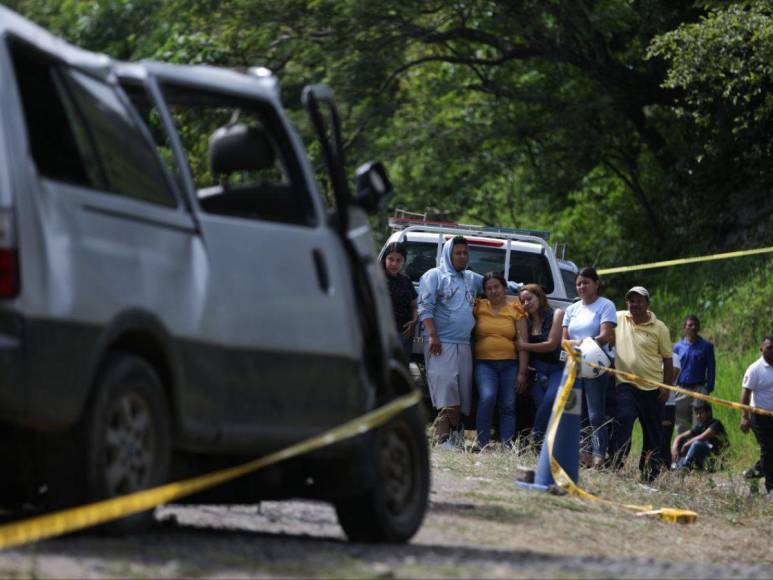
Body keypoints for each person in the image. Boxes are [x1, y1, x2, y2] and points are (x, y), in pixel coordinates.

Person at [417, 236, 519, 445]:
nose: (463, 257)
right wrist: (433, 335)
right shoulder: (434, 275)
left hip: (464, 343)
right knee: (446, 389)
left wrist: (522, 289)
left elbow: (493, 283)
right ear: (448, 254)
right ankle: (442, 437)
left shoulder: (470, 278)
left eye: (465, 253)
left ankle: (452, 437)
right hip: (440, 343)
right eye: (458, 253)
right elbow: (424, 308)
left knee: (461, 393)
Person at [608, 286, 673, 482]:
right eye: (631, 301)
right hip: (626, 385)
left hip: (653, 389)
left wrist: (666, 387)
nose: (635, 304)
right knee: (623, 420)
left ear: (647, 303)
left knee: (652, 433)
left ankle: (649, 474)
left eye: (639, 301)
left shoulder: (660, 327)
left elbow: (668, 360)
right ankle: (615, 464)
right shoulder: (618, 318)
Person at [562, 267, 616, 468]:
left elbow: (605, 336)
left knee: (595, 413)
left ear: (596, 284)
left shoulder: (606, 305)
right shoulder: (571, 309)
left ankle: (599, 454)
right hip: (574, 364)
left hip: (595, 364)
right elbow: (564, 339)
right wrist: (575, 344)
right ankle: (582, 453)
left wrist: (582, 343)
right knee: (578, 411)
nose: (581, 287)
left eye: (586, 282)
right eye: (578, 284)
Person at [472, 272, 529, 448]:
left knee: (508, 404)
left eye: (496, 287)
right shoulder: (478, 306)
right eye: (488, 288)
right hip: (484, 363)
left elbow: (524, 343)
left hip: (510, 365)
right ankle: (481, 442)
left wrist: (522, 373)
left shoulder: (516, 309)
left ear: (504, 288)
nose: (493, 291)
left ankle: (507, 444)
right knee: (487, 397)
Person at [517, 283, 566, 445]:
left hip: (556, 368)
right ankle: (541, 447)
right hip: (536, 370)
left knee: (550, 401)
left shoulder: (557, 314)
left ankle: (536, 438)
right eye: (522, 301)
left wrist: (524, 346)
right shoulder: (525, 321)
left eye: (529, 299)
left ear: (540, 296)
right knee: (539, 406)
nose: (526, 304)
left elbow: (552, 344)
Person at [739, 336, 773, 497]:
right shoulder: (755, 369)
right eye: (769, 348)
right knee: (768, 449)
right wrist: (744, 417)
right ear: (762, 349)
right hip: (759, 416)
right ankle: (771, 487)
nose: (772, 351)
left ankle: (752, 474)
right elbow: (746, 393)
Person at [673, 315, 716, 433]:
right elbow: (673, 367)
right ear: (684, 328)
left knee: (700, 422)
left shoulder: (706, 346)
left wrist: (708, 388)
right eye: (690, 325)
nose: (693, 327)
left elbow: (711, 368)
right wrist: (673, 387)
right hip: (681, 389)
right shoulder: (677, 347)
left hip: (699, 389)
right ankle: (682, 449)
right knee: (681, 423)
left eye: (696, 325)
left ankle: (699, 448)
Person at [381, 242, 418, 356]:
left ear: (404, 261)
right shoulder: (376, 279)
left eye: (399, 260)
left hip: (404, 335)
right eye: (390, 259)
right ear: (384, 259)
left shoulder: (406, 281)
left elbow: (414, 305)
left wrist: (414, 321)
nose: (394, 263)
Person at [671, 400, 727, 471]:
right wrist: (675, 448)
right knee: (681, 442)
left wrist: (686, 445)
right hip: (707, 456)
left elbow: (702, 437)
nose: (698, 416)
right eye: (697, 414)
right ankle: (676, 465)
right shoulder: (700, 426)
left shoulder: (716, 424)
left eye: (701, 413)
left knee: (696, 444)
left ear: (708, 413)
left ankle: (683, 467)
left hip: (717, 457)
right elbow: (680, 437)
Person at [660, 349, 682, 467]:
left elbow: (671, 376)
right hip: (653, 403)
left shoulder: (674, 357)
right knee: (654, 437)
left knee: (664, 439)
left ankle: (665, 468)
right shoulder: (650, 356)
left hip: (668, 404)